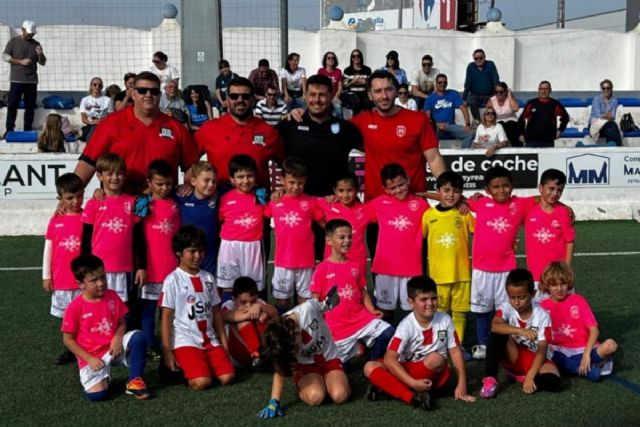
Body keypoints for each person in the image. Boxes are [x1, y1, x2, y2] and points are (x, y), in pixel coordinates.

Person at [75, 71, 198, 195]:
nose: (148, 95)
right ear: (133, 94)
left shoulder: (176, 128)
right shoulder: (111, 123)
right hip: (120, 207)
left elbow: (191, 166)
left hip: (162, 207)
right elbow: (88, 163)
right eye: (142, 90)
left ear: (160, 95)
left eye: (154, 91)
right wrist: (69, 195)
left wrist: (188, 185)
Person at [364, 276, 475, 409]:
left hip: (434, 375)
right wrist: (412, 382)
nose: (430, 303)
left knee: (436, 359)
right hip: (410, 371)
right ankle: (412, 397)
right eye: (423, 299)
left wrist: (462, 383)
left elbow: (456, 352)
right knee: (369, 366)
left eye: (433, 298)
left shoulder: (445, 320)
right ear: (411, 302)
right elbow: (389, 359)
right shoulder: (405, 326)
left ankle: (391, 387)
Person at [466, 166, 537, 360]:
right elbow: (452, 198)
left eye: (506, 186)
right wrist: (422, 194)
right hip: (482, 269)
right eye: (496, 187)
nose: (501, 190)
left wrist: (567, 208)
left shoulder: (520, 204)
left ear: (512, 186)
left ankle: (507, 342)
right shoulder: (480, 203)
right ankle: (482, 343)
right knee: (482, 310)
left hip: (506, 269)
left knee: (505, 309)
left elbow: (544, 198)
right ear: (487, 189)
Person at [62, 254, 150, 401]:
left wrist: (117, 337)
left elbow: (122, 322)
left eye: (103, 277)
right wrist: (89, 359)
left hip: (114, 348)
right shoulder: (74, 307)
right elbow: (68, 340)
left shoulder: (112, 296)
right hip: (93, 356)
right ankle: (102, 378)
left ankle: (134, 381)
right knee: (98, 396)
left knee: (138, 337)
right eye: (94, 280)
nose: (101, 283)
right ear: (80, 284)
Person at [352, 70, 445, 202]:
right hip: (376, 207)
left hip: (413, 206)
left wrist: (447, 189)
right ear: (370, 95)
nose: (384, 96)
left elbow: (434, 158)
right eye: (378, 91)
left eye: (388, 89)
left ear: (396, 91)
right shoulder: (361, 122)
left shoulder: (418, 119)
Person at [160, 225, 235, 390]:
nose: (197, 256)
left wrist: (224, 343)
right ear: (179, 252)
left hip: (210, 340)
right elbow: (165, 317)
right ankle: (179, 368)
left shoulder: (208, 278)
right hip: (185, 340)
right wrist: (167, 352)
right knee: (202, 383)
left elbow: (216, 312)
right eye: (192, 251)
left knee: (228, 377)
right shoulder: (172, 280)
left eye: (200, 251)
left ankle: (203, 366)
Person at [310, 219, 394, 364]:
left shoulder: (355, 265)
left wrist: (372, 310)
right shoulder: (322, 269)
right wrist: (321, 327)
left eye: (350, 237)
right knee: (340, 368)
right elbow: (314, 302)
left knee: (389, 332)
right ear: (329, 241)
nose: (347, 240)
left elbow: (362, 291)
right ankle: (356, 348)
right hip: (337, 327)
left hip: (360, 318)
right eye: (342, 237)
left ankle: (373, 361)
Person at [258, 295, 349, 419]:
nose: (296, 349)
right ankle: (304, 384)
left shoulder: (308, 309)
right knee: (315, 397)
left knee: (340, 395)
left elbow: (329, 302)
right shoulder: (281, 339)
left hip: (329, 357)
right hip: (305, 366)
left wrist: (334, 297)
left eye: (295, 347)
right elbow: (280, 368)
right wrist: (274, 402)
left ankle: (331, 379)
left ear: (294, 332)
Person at [479, 268, 561, 398]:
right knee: (497, 333)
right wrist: (520, 330)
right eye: (512, 297)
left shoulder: (542, 315)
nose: (516, 302)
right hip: (514, 355)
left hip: (536, 357)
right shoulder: (506, 308)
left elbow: (542, 349)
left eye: (522, 297)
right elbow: (495, 326)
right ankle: (490, 378)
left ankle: (526, 378)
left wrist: (530, 375)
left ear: (533, 294)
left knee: (553, 381)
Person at [195, 77, 284, 191]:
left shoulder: (269, 132)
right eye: (234, 96)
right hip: (219, 201)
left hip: (257, 203)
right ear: (227, 99)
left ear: (253, 99)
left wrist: (282, 192)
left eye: (245, 96)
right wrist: (189, 185)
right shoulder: (209, 129)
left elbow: (286, 167)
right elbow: (189, 164)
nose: (240, 100)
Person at [366, 163, 429, 320]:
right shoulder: (379, 203)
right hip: (386, 268)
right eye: (393, 188)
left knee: (415, 311)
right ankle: (385, 342)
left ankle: (414, 342)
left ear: (408, 180)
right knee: (384, 311)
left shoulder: (421, 204)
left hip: (412, 268)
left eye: (401, 184)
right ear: (386, 189)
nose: (398, 190)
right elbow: (354, 213)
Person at [80, 153, 145, 302]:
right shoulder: (93, 204)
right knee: (98, 307)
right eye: (109, 174)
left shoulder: (133, 202)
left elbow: (139, 239)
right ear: (99, 176)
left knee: (122, 311)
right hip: (98, 271)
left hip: (124, 269)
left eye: (119, 173)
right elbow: (85, 239)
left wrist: (141, 266)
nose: (115, 178)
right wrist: (85, 268)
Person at [422, 171, 475, 351]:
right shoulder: (428, 215)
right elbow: (418, 239)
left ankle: (457, 346)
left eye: (456, 191)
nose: (451, 195)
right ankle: (441, 344)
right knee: (440, 312)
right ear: (438, 191)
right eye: (446, 190)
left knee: (460, 313)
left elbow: (481, 233)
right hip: (438, 276)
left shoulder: (464, 214)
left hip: (461, 275)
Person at [539, 262, 617, 382]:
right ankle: (586, 370)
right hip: (558, 350)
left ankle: (576, 366)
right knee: (545, 351)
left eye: (563, 284)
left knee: (611, 345)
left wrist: (586, 354)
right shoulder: (542, 306)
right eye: (554, 285)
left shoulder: (578, 300)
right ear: (547, 286)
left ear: (568, 283)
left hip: (584, 348)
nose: (559, 288)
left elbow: (594, 330)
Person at [264, 158, 324, 312]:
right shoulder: (275, 201)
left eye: (300, 183)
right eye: (291, 182)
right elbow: (261, 213)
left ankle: (303, 332)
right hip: (283, 262)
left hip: (306, 261)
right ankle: (283, 333)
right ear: (282, 180)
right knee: (282, 301)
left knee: (305, 301)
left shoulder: (312, 202)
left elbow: (325, 225)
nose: (296, 187)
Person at [138, 160, 180, 358]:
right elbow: (135, 234)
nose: (164, 188)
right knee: (148, 308)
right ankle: (148, 344)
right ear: (149, 182)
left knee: (170, 308)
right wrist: (141, 266)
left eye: (168, 184)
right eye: (159, 184)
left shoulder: (175, 204)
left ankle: (172, 341)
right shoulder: (143, 204)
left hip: (172, 268)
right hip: (151, 268)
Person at [43, 173, 85, 365]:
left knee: (85, 314)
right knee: (67, 317)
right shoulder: (55, 221)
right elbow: (49, 248)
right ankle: (70, 348)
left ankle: (85, 347)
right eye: (70, 198)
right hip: (62, 280)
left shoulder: (88, 217)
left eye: (79, 196)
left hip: (83, 280)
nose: (75, 201)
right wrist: (46, 275)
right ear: (60, 199)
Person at [217, 155, 265, 300]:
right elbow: (220, 219)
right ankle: (228, 320)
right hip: (229, 247)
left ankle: (253, 320)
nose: (245, 181)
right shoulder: (224, 198)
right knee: (228, 287)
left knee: (252, 288)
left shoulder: (261, 197)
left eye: (249, 176)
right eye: (240, 176)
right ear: (232, 179)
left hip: (253, 247)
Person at [525, 169, 575, 299]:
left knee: (563, 313)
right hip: (536, 276)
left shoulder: (563, 212)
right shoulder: (528, 210)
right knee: (538, 315)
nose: (555, 193)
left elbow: (569, 241)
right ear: (540, 188)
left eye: (559, 190)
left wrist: (566, 269)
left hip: (559, 276)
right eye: (551, 189)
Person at [222, 276, 279, 367]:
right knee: (242, 320)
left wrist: (260, 307)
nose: (248, 305)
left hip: (261, 351)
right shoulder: (228, 305)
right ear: (234, 299)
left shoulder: (259, 302)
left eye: (252, 301)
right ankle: (256, 353)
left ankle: (264, 354)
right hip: (238, 354)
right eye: (243, 302)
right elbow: (225, 316)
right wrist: (252, 312)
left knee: (264, 317)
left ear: (256, 296)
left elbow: (276, 316)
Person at [317, 173, 367, 274]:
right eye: (341, 191)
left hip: (357, 262)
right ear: (335, 191)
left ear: (357, 190)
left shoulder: (365, 209)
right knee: (332, 289)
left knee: (355, 289)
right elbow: (305, 201)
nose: (345, 195)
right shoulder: (328, 204)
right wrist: (283, 191)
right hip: (332, 261)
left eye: (349, 190)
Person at [3, 20, 46, 137]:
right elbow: (5, 56)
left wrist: (40, 54)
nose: (30, 35)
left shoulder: (36, 44)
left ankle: (27, 130)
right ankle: (9, 129)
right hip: (16, 80)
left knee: (30, 106)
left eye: (32, 34)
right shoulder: (13, 42)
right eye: (28, 33)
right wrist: (20, 61)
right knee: (12, 105)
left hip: (31, 81)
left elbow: (43, 63)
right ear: (22, 30)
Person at [176, 161, 219, 276]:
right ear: (193, 181)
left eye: (214, 181)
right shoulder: (182, 197)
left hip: (209, 258)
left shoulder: (218, 198)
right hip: (187, 257)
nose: (211, 184)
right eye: (206, 180)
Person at [424, 73, 475, 148]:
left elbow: (463, 108)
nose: (442, 84)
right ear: (436, 83)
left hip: (450, 126)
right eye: (440, 82)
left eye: (444, 82)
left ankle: (463, 154)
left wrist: (467, 124)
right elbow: (427, 116)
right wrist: (437, 124)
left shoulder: (452, 94)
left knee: (471, 133)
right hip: (437, 127)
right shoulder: (430, 99)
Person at [518, 80, 569, 148]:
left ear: (550, 90)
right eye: (541, 89)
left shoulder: (555, 104)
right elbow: (521, 119)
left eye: (546, 89)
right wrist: (520, 134)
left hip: (548, 141)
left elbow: (565, 117)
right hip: (531, 140)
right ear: (538, 90)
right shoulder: (531, 103)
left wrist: (560, 130)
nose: (544, 91)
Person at [463, 49, 500, 123]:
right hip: (475, 94)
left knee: (493, 104)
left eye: (480, 58)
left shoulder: (490, 65)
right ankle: (478, 122)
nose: (478, 60)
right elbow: (467, 84)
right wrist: (464, 99)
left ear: (484, 57)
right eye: (476, 58)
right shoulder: (471, 67)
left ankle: (491, 122)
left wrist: (498, 94)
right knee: (472, 102)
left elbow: (496, 80)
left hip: (490, 94)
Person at [486, 81, 521, 147]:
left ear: (505, 92)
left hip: (512, 121)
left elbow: (515, 108)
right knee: (501, 125)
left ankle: (517, 148)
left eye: (501, 92)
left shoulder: (509, 99)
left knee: (511, 125)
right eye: (496, 92)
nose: (498, 94)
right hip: (497, 122)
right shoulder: (492, 100)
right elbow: (488, 113)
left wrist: (509, 95)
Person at [79, 77, 114, 142]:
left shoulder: (108, 100)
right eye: (95, 84)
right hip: (89, 125)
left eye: (99, 85)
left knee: (96, 130)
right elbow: (83, 118)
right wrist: (92, 122)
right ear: (91, 86)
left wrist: (101, 122)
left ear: (102, 87)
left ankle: (89, 149)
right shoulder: (85, 100)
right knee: (94, 129)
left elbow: (111, 117)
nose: (97, 86)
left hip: (103, 126)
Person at [589, 79, 622, 146]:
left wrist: (604, 116)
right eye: (603, 88)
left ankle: (612, 147)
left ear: (611, 89)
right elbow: (596, 114)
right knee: (612, 126)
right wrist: (606, 115)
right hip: (596, 124)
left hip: (607, 125)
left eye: (608, 88)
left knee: (610, 128)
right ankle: (617, 148)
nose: (606, 90)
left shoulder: (614, 101)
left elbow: (612, 116)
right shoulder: (597, 99)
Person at [341, 48, 372, 115]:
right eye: (354, 56)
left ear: (361, 57)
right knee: (354, 102)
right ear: (351, 58)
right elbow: (344, 86)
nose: (356, 58)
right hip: (351, 94)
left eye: (358, 56)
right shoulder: (347, 70)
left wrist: (364, 82)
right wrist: (353, 82)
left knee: (369, 104)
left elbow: (371, 84)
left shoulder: (367, 70)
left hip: (364, 94)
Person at [317, 51, 343, 117]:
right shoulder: (321, 71)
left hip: (334, 97)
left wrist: (336, 96)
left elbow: (340, 88)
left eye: (333, 58)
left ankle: (339, 126)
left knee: (338, 110)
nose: (331, 59)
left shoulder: (338, 71)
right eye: (329, 58)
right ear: (325, 60)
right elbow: (319, 86)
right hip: (324, 96)